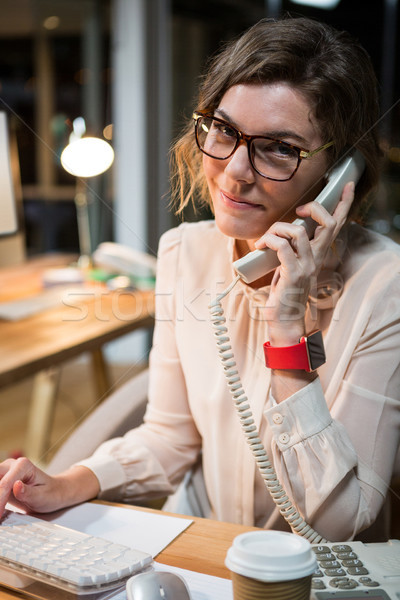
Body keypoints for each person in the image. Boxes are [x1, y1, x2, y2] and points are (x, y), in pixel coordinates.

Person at [0, 16, 399, 543]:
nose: (235, 170)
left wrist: (286, 331)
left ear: (337, 177)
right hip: (202, 547)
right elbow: (169, 437)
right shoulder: (184, 251)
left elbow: (337, 519)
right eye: (225, 130)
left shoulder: (385, 286)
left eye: (279, 147)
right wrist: (65, 484)